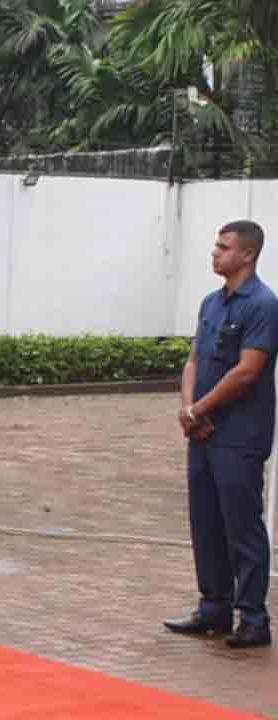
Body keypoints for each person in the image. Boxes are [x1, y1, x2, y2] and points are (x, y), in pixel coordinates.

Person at [165, 220, 275, 649]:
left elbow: (248, 370)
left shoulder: (263, 304)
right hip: (204, 432)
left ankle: (253, 618)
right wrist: (189, 409)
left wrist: (200, 409)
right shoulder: (211, 302)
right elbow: (193, 360)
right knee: (206, 523)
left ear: (247, 255)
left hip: (239, 435)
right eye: (216, 245)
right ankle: (214, 608)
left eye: (223, 247)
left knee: (242, 528)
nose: (215, 252)